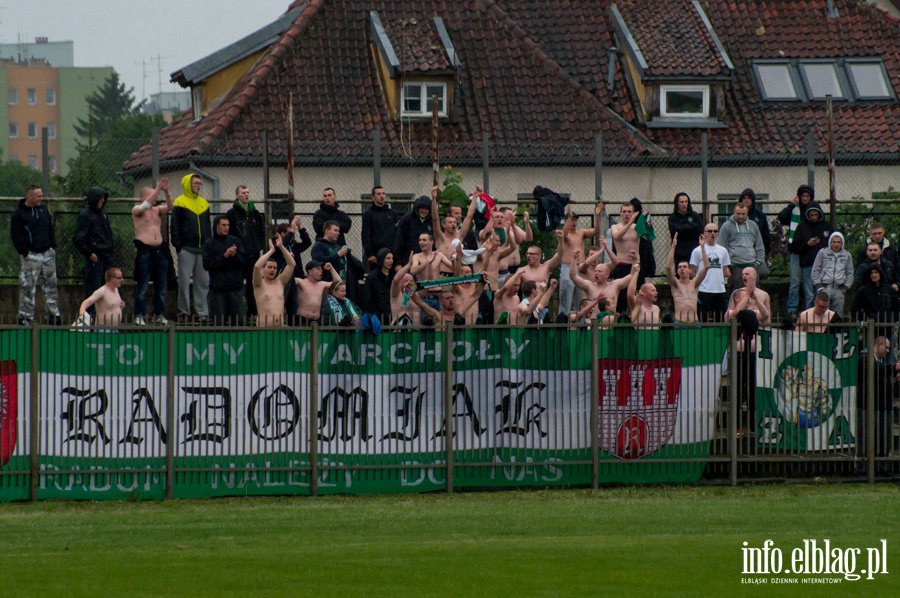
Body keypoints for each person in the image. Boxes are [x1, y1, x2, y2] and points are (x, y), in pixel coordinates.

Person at [725, 267, 771, 436]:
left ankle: (753, 426)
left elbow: (766, 318)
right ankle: (736, 425)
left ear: (755, 275)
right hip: (739, 349)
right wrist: (746, 296)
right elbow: (732, 315)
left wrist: (755, 299)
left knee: (753, 389)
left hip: (755, 350)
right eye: (742, 273)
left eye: (747, 273)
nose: (744, 275)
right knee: (737, 388)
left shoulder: (764, 295)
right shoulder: (737, 294)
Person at [11, 184, 62, 326]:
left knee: (51, 285)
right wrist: (24, 252)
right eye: (38, 196)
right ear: (30, 196)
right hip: (31, 255)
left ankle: (53, 315)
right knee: (28, 286)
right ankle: (25, 317)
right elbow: (16, 235)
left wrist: (52, 246)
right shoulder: (19, 214)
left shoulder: (43, 210)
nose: (41, 198)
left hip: (47, 253)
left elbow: (50, 227)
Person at [171, 173, 212, 324]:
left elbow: (208, 225)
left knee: (203, 282)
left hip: (203, 250)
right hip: (186, 248)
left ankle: (202, 313)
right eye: (195, 183)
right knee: (184, 281)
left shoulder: (204, 203)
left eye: (200, 183)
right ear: (188, 184)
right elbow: (174, 226)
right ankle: (183, 312)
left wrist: (208, 245)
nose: (198, 186)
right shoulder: (180, 202)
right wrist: (178, 245)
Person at [132, 178, 173, 325]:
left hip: (159, 252)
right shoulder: (137, 209)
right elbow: (143, 208)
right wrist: (157, 188)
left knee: (160, 286)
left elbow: (170, 207)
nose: (155, 198)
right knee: (142, 286)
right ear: (144, 197)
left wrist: (166, 191)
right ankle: (139, 315)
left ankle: (159, 314)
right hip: (145, 251)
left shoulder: (157, 210)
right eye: (152, 195)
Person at [857, 336, 898, 470]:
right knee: (867, 438)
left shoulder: (878, 362)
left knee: (883, 439)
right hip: (868, 406)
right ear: (877, 345)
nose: (887, 351)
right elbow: (876, 370)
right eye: (885, 347)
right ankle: (864, 467)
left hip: (881, 406)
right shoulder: (865, 359)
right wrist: (895, 367)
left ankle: (881, 467)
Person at [557, 202, 605, 318]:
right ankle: (562, 324)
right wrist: (568, 217)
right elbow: (564, 234)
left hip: (580, 269)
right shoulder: (565, 234)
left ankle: (582, 324)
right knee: (566, 300)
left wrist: (597, 215)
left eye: (575, 219)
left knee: (582, 300)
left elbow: (596, 230)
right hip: (567, 269)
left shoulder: (581, 233)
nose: (574, 222)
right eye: (571, 219)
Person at [226, 185, 266, 319]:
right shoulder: (231, 214)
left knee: (253, 285)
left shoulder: (255, 214)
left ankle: (253, 312)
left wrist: (257, 247)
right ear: (237, 195)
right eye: (243, 193)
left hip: (253, 255)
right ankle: (235, 313)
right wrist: (237, 250)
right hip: (239, 256)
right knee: (236, 284)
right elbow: (230, 234)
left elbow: (261, 233)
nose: (246, 195)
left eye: (248, 192)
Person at [74, 186, 115, 311]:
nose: (103, 201)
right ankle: (89, 315)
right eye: (101, 198)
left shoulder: (103, 213)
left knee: (109, 286)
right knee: (94, 287)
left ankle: (106, 316)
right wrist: (89, 253)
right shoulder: (85, 215)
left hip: (107, 254)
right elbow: (79, 239)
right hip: (95, 256)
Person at [202, 215, 248, 326]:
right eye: (223, 225)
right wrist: (225, 256)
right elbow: (208, 265)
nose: (226, 228)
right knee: (219, 323)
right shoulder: (209, 244)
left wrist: (235, 255)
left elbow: (244, 261)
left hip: (235, 289)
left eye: (227, 225)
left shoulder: (235, 241)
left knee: (240, 321)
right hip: (218, 290)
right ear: (216, 226)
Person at [778, 185, 815, 322]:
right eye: (802, 196)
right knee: (794, 281)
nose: (805, 199)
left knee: (808, 283)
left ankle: (809, 310)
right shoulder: (795, 210)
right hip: (796, 250)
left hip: (809, 253)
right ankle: (791, 309)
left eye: (807, 196)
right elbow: (782, 218)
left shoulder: (813, 211)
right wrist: (791, 205)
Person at [787, 200, 830, 313]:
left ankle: (821, 315)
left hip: (824, 266)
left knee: (821, 293)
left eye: (816, 215)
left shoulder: (827, 226)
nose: (814, 217)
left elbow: (832, 243)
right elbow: (794, 247)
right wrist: (807, 244)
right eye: (812, 215)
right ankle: (809, 315)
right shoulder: (802, 226)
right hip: (808, 265)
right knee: (809, 295)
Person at [717, 202, 764, 289]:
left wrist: (758, 262)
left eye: (743, 214)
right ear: (734, 211)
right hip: (735, 266)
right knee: (738, 292)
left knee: (753, 291)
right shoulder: (727, 226)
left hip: (751, 264)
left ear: (747, 213)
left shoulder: (753, 225)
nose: (741, 216)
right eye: (738, 214)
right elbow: (722, 247)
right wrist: (725, 265)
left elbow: (759, 245)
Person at [253, 235, 296, 328]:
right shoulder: (259, 284)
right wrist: (271, 251)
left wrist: (281, 247)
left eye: (274, 268)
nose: (272, 270)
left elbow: (292, 264)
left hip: (279, 329)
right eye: (269, 267)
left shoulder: (280, 282)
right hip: (264, 329)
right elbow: (257, 266)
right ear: (263, 269)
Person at [691, 222, 731, 322]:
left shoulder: (723, 250)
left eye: (715, 231)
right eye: (710, 231)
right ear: (704, 233)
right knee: (702, 319)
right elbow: (692, 271)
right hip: (703, 290)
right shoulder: (697, 251)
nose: (712, 233)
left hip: (719, 290)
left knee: (721, 319)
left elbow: (725, 270)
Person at [666, 232, 709, 323]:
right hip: (679, 321)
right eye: (679, 267)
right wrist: (673, 246)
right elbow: (669, 267)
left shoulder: (694, 283)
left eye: (684, 267)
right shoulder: (675, 284)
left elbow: (706, 266)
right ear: (677, 271)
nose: (682, 269)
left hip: (694, 321)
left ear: (690, 270)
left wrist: (702, 247)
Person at [811, 232, 853, 316]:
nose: (836, 244)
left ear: (842, 243)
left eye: (838, 242)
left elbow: (850, 273)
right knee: (821, 314)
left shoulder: (847, 255)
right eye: (834, 242)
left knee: (837, 315)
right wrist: (818, 286)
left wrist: (845, 287)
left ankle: (837, 329)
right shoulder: (822, 253)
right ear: (830, 242)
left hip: (839, 289)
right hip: (824, 287)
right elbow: (816, 270)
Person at [411, 281, 485, 326]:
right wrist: (410, 290)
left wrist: (483, 283)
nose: (451, 300)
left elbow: (474, 297)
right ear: (441, 302)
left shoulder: (459, 312)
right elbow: (421, 304)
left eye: (452, 297)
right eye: (447, 298)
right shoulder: (437, 315)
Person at [852, 264, 899, 328]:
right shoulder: (863, 291)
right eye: (871, 273)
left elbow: (896, 307)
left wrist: (893, 320)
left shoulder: (889, 290)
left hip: (887, 326)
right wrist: (865, 318)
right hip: (870, 327)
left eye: (876, 272)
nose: (873, 275)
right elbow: (854, 308)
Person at [361, 185, 398, 267]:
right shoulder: (368, 215)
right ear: (373, 197)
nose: (382, 196)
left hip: (391, 254)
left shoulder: (392, 214)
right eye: (378, 194)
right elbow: (366, 235)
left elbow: (397, 233)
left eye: (383, 193)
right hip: (376, 255)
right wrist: (370, 254)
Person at [393, 195, 433, 268]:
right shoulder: (407, 219)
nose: (424, 211)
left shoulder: (432, 221)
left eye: (426, 209)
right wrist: (398, 263)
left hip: (428, 261)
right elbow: (399, 241)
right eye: (422, 208)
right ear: (417, 208)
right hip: (408, 260)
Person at [667, 192, 704, 266]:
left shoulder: (695, 216)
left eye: (686, 202)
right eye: (681, 202)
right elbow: (675, 231)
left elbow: (700, 230)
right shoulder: (673, 218)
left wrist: (683, 228)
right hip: (680, 253)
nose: (684, 204)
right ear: (677, 203)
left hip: (694, 250)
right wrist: (691, 227)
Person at [363, 248, 394, 323]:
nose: (391, 261)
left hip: (393, 316)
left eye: (392, 258)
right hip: (378, 317)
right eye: (388, 258)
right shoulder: (372, 277)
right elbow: (367, 299)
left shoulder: (394, 276)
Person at [739, 188, 771, 257]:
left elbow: (766, 235)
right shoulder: (736, 216)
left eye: (748, 198)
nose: (746, 200)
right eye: (744, 198)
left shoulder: (760, 216)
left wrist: (765, 252)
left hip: (757, 251)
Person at [389, 256, 420, 326]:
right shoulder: (396, 294)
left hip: (414, 332)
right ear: (400, 283)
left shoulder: (415, 295)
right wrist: (409, 265)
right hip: (397, 330)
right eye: (406, 281)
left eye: (411, 281)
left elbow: (427, 287)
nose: (409, 283)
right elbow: (396, 280)